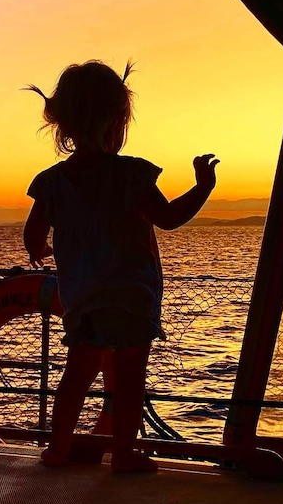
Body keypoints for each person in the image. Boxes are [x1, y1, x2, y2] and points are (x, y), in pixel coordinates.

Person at [23, 60, 218, 473]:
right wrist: (202, 188)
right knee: (128, 380)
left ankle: (58, 449)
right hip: (132, 296)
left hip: (83, 299)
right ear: (117, 121)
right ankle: (124, 453)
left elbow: (34, 231)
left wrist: (37, 249)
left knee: (76, 376)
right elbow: (167, 219)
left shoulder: (52, 182)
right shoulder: (131, 175)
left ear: (63, 126)